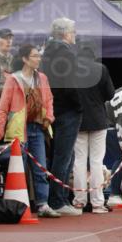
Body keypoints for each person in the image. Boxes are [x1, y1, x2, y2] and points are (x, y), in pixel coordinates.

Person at [0, 44, 57, 218]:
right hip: (18, 130)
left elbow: (49, 100)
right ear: (25, 59)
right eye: (35, 56)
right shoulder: (13, 80)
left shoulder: (42, 78)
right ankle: (18, 203)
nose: (38, 59)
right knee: (18, 167)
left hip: (37, 127)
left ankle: (43, 204)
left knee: (40, 168)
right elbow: (3, 108)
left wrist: (49, 118)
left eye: (38, 56)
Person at [41, 17, 83, 216]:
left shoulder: (45, 53)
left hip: (52, 108)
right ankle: (58, 200)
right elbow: (71, 84)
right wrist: (79, 105)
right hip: (67, 109)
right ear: (66, 34)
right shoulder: (66, 54)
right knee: (63, 156)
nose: (75, 35)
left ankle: (57, 197)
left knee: (61, 155)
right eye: (73, 32)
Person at [73, 44, 115, 213]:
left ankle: (79, 201)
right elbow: (110, 94)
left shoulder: (71, 70)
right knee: (97, 162)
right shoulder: (101, 69)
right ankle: (98, 202)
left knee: (79, 162)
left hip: (78, 119)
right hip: (98, 119)